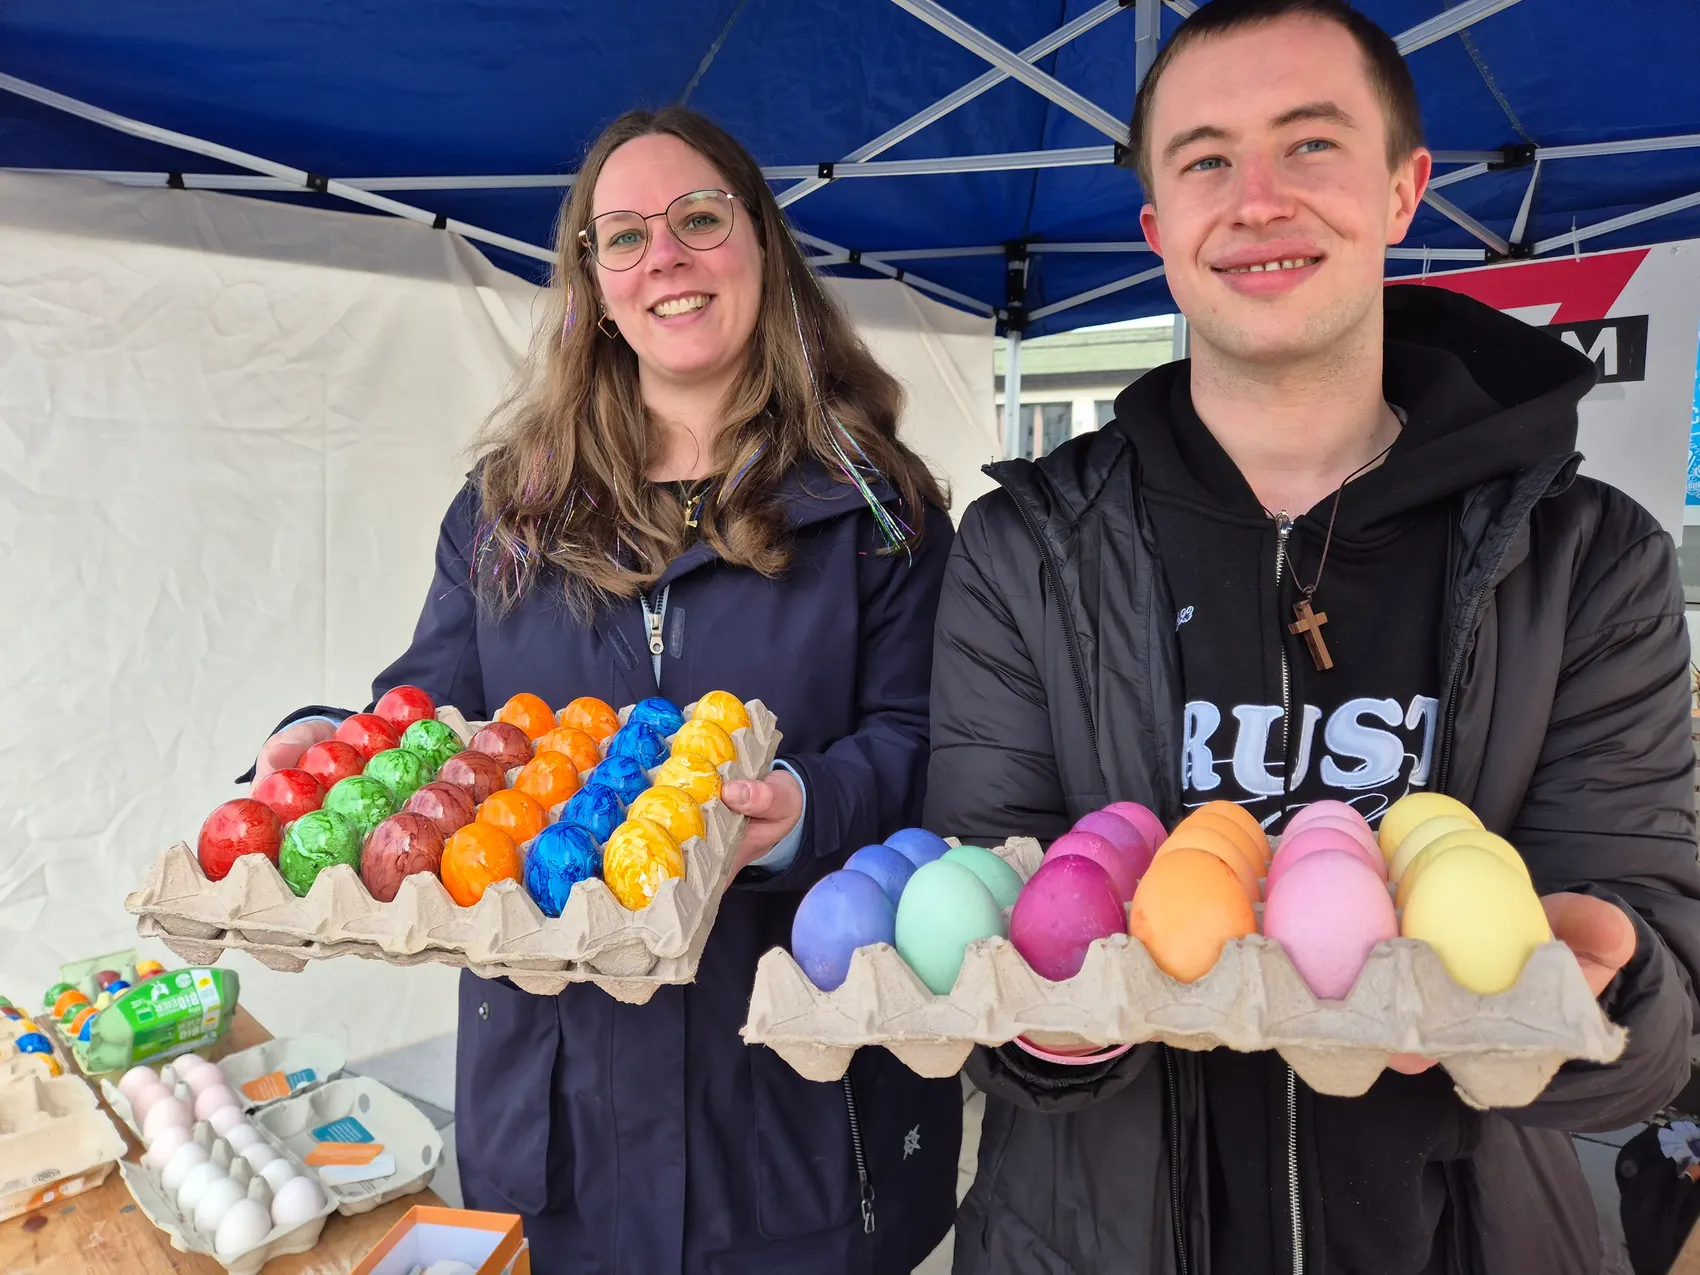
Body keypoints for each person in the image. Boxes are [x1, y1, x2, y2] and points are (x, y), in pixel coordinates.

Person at [925, 2, 1700, 1273]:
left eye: (1310, 145)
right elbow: (992, 898)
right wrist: (1043, 1012)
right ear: (1156, 229)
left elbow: (1654, 1003)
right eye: (1206, 161)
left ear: (1403, 189)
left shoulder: (1582, 559)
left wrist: (1599, 987)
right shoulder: (1027, 550)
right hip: (1091, 1236)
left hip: (1467, 1237)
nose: (1258, 199)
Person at [249, 107, 961, 1274]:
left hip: (782, 1084)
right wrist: (323, 744)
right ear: (590, 283)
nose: (663, 259)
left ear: (761, 246)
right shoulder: (507, 512)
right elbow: (429, 712)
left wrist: (799, 808)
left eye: (696, 220)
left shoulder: (873, 511)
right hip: (558, 1087)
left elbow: (933, 744)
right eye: (620, 237)